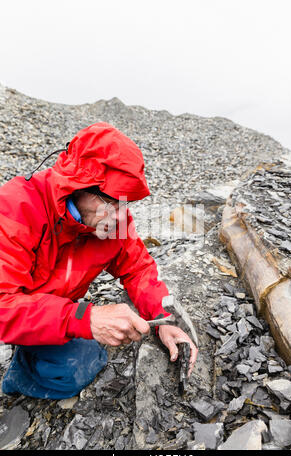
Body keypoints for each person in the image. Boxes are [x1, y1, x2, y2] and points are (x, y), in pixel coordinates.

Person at [0, 122, 198, 399]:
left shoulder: (110, 220)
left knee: (82, 360)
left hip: (54, 310)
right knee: (76, 366)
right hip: (19, 309)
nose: (120, 216)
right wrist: (85, 318)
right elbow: (3, 305)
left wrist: (163, 318)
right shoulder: (14, 209)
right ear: (78, 185)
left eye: (126, 203)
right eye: (113, 202)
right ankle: (17, 377)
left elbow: (137, 268)